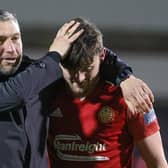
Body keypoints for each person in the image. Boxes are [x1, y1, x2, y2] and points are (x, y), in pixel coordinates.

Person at [0, 10, 154, 168]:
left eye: (15, 38)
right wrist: (54, 55)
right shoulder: (36, 79)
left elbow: (92, 54)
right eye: (1, 41)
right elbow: (16, 93)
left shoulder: (37, 77)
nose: (11, 48)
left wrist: (125, 76)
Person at [47, 17, 168, 168]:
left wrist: (125, 76)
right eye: (71, 69)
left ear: (102, 56)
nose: (79, 78)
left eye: (87, 68)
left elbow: (157, 163)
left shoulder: (130, 96)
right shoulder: (45, 93)